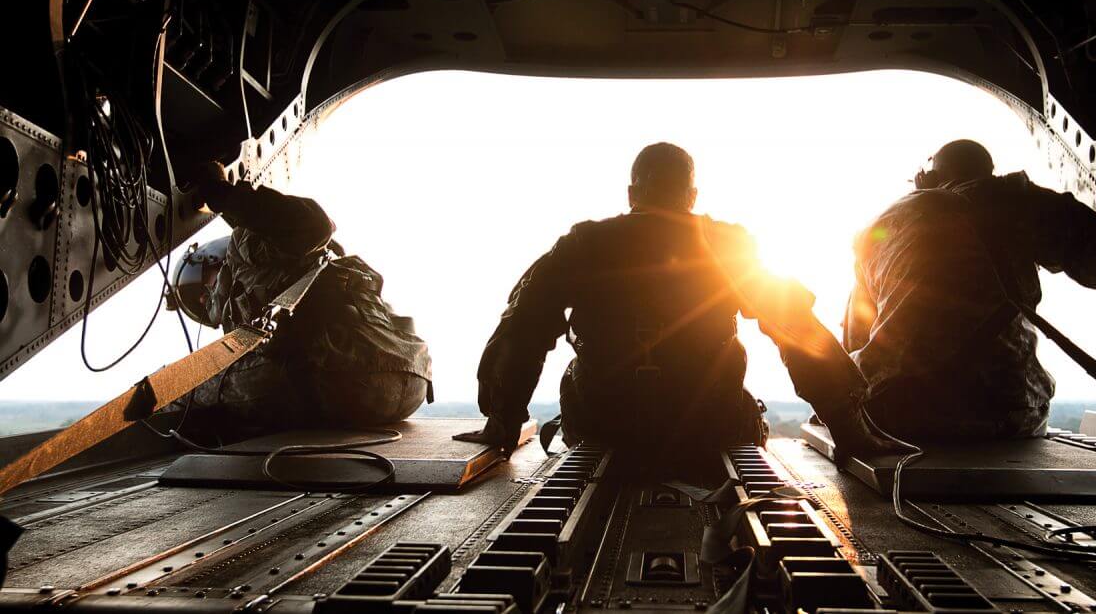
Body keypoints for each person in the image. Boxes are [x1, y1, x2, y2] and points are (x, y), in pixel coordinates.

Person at [456, 142, 893, 457]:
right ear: (692, 196)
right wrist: (848, 427)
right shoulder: (729, 244)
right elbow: (795, 324)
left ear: (631, 194)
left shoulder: (583, 243)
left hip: (604, 426)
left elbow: (524, 326)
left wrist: (502, 423)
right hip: (709, 425)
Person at [844, 139, 1096, 444]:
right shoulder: (1010, 200)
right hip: (997, 416)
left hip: (892, 416)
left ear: (927, 179)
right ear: (986, 173)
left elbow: (856, 339)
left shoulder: (875, 231)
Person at [167, 162, 433, 439]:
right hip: (407, 379)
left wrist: (221, 194)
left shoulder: (248, 250)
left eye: (199, 287)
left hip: (348, 378)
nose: (202, 298)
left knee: (179, 385)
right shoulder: (305, 265)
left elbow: (315, 226)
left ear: (212, 262)